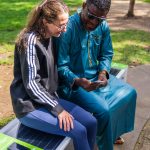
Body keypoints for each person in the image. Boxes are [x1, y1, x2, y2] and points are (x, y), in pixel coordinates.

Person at [10, 1, 97, 150]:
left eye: (66, 24)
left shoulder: (50, 35)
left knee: (91, 122)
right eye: (60, 25)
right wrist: (58, 109)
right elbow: (31, 84)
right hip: (29, 106)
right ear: (45, 21)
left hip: (48, 99)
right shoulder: (30, 41)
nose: (64, 30)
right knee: (79, 131)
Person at [54, 0, 137, 149]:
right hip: (72, 85)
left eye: (99, 19)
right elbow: (61, 66)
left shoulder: (102, 26)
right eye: (91, 16)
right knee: (103, 111)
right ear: (84, 6)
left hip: (95, 80)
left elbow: (106, 53)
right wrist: (79, 81)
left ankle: (111, 133)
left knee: (129, 93)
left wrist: (103, 72)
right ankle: (103, 145)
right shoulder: (68, 28)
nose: (93, 22)